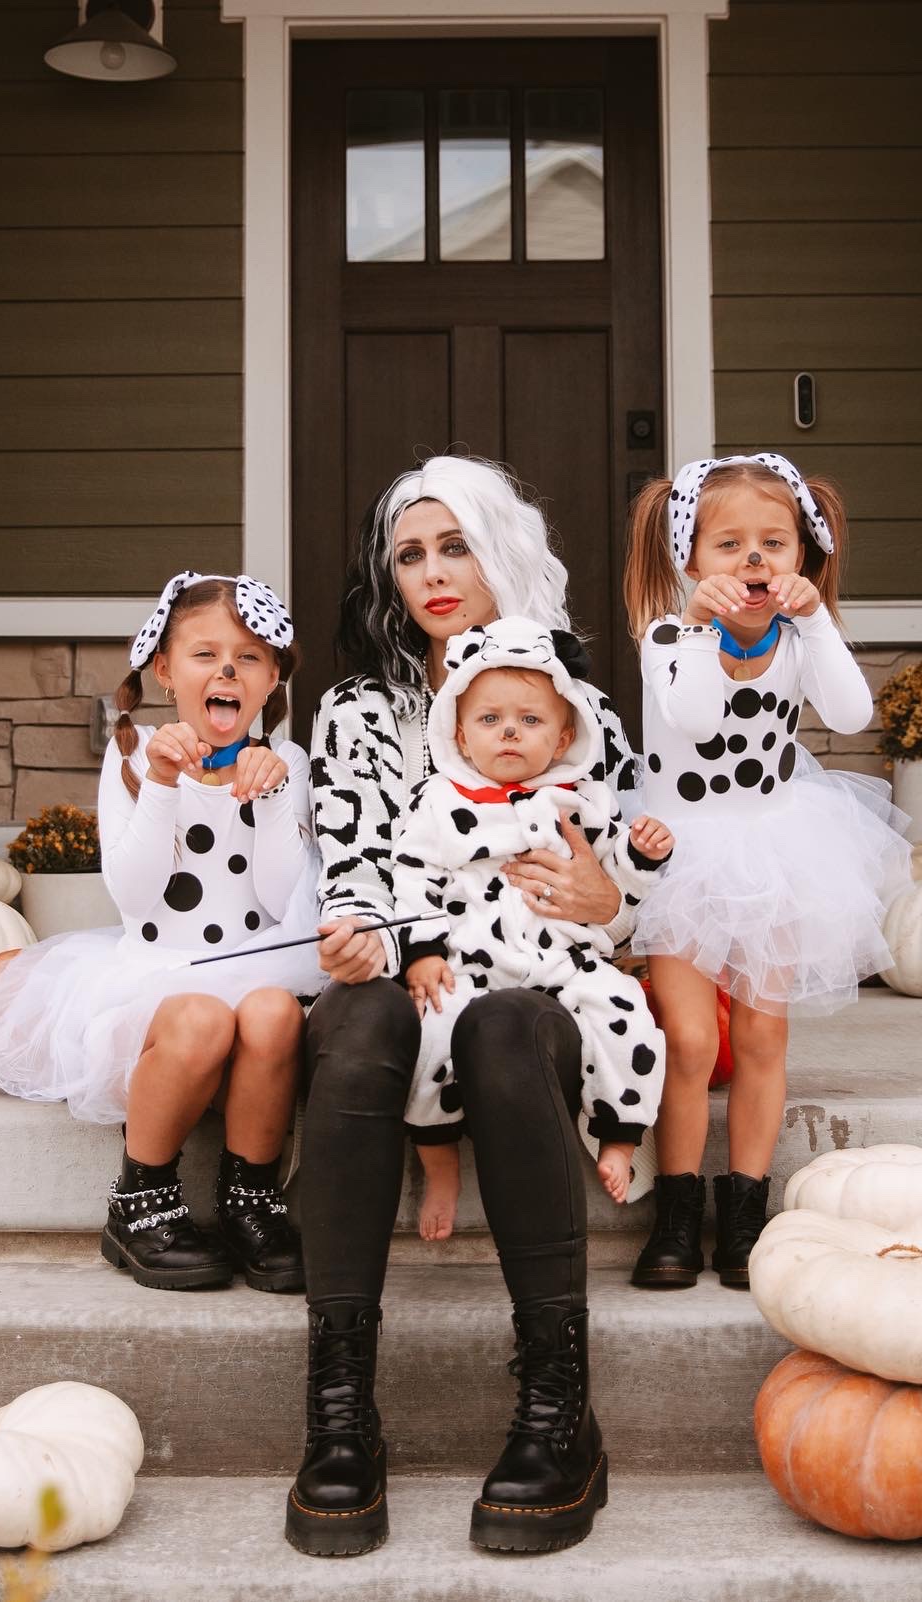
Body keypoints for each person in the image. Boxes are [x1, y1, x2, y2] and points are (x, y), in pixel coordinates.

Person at [287, 455, 641, 1559]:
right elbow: (351, 862)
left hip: (538, 982)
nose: (435, 573)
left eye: (457, 546)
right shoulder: (353, 713)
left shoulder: (574, 706)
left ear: (503, 553)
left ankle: (556, 1406)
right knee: (359, 1023)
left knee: (502, 1026)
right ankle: (340, 1410)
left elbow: (629, 876)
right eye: (410, 554)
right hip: (405, 978)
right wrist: (373, 944)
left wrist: (607, 902)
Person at [0, 573, 323, 1294]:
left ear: (271, 681)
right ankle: (141, 1200)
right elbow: (135, 895)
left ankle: (251, 1199)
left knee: (274, 1010)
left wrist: (269, 797)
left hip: (254, 964)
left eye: (250, 657)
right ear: (165, 670)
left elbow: (282, 894)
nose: (227, 671)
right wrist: (165, 784)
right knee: (199, 1019)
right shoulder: (135, 758)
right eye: (205, 654)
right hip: (160, 975)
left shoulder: (284, 765)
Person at [621, 454, 910, 1291]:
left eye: (774, 544)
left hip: (778, 846)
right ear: (691, 562)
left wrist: (818, 624)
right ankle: (676, 1210)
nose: (754, 562)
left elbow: (855, 714)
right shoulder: (669, 639)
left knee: (761, 1034)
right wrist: (709, 631)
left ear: (804, 557)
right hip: (683, 853)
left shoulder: (799, 638)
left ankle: (746, 1208)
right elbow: (698, 715)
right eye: (730, 545)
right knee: (691, 1037)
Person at [393, 616, 673, 1239]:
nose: (510, 733)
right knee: (429, 1034)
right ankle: (439, 1167)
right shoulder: (438, 800)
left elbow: (614, 882)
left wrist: (643, 857)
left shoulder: (584, 800)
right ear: (461, 735)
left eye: (531, 720)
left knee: (626, 1010)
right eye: (490, 720)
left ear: (565, 733)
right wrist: (421, 953)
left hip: (565, 960)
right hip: (468, 962)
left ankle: (620, 1138)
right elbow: (412, 876)